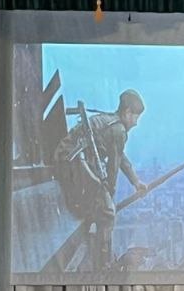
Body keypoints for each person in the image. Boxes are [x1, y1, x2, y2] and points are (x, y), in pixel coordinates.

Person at [54, 89, 147, 272]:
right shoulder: (118, 130)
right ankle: (103, 264)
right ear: (127, 112)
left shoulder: (111, 123)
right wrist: (108, 197)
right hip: (72, 163)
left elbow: (120, 156)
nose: (136, 123)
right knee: (107, 213)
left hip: (68, 161)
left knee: (101, 206)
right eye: (136, 117)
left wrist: (136, 182)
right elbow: (113, 168)